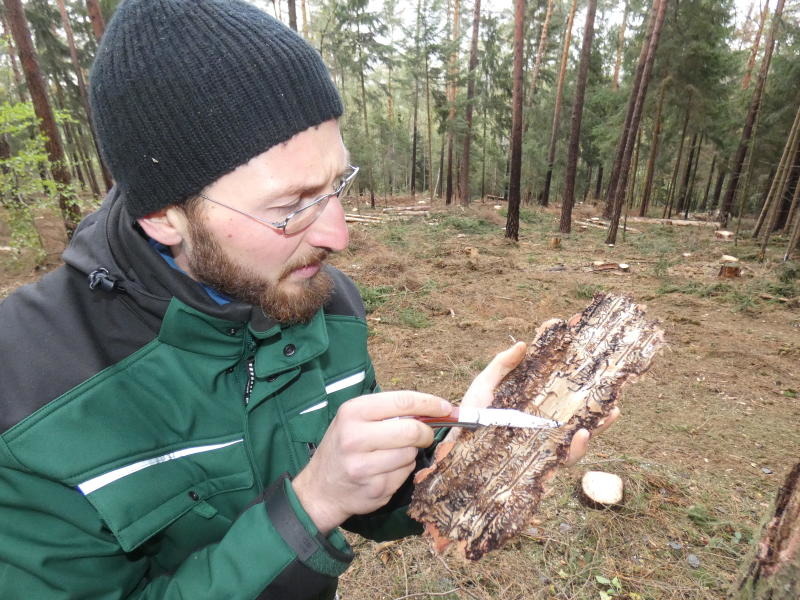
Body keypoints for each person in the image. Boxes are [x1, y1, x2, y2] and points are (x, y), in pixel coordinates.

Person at [0, 1, 615, 598]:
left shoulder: (321, 300)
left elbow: (362, 498)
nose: (338, 235)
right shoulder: (26, 389)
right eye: (292, 206)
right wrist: (309, 506)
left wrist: (452, 459)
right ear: (165, 216)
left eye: (338, 183)